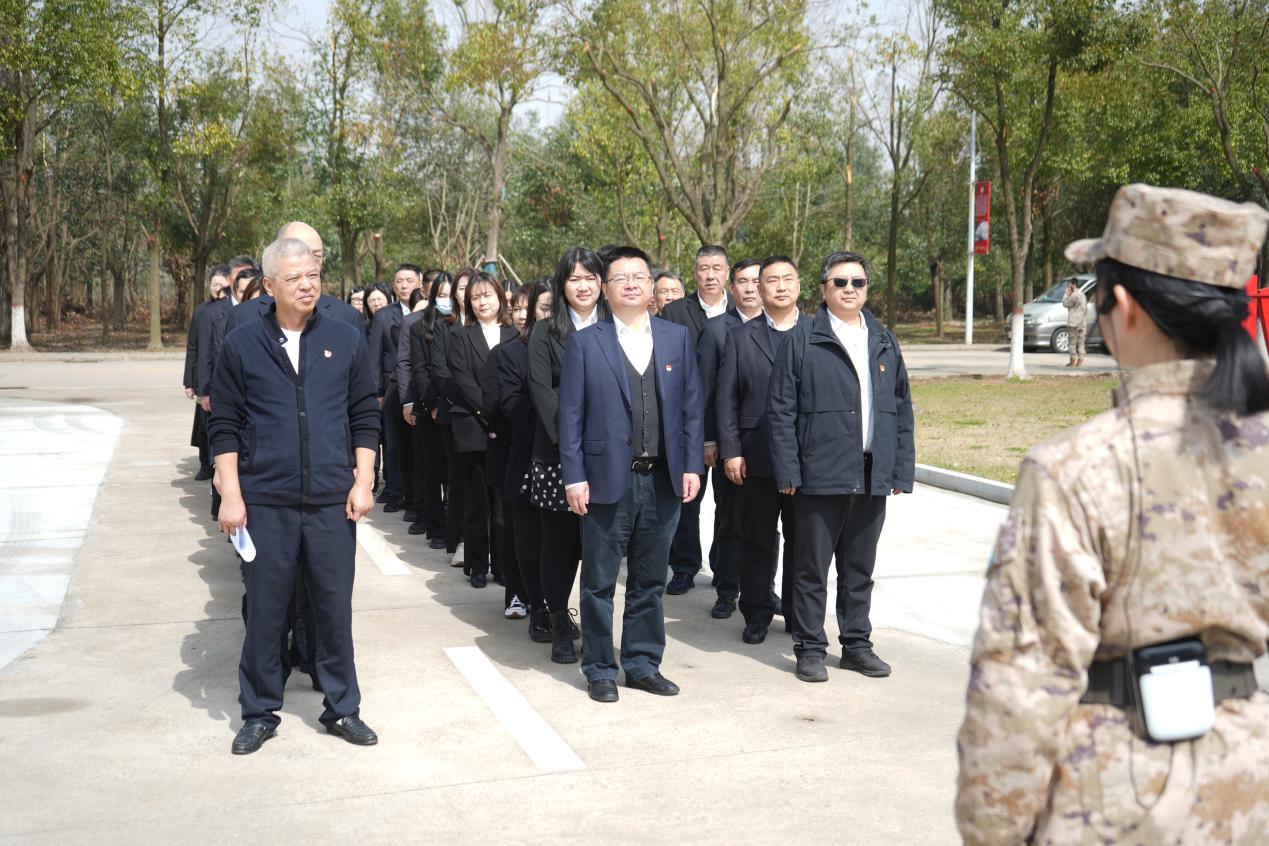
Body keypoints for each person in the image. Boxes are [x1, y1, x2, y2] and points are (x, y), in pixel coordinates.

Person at [956, 184, 1269, 843]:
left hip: (1116, 792)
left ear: (1121, 306)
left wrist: (993, 829)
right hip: (1248, 780)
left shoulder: (1075, 467)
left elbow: (1020, 686)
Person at [208, 236, 381, 755]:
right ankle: (260, 711)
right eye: (294, 277)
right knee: (267, 610)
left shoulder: (346, 338)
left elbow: (365, 415)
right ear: (269, 286)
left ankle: (342, 708)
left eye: (312, 274)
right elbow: (225, 427)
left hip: (332, 500)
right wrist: (231, 496)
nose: (307, 284)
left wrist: (364, 480)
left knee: (333, 608)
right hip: (265, 502)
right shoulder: (242, 344)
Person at [558, 245, 704, 703]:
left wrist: (691, 465)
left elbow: (691, 410)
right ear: (606, 288)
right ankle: (600, 667)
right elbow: (571, 416)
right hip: (604, 482)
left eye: (639, 276)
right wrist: (574, 475)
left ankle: (642, 663)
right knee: (599, 581)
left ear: (651, 286)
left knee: (649, 580)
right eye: (620, 277)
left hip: (662, 478)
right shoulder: (586, 342)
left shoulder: (676, 338)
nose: (631, 284)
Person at [768, 250, 914, 684]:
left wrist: (900, 469)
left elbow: (901, 409)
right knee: (811, 569)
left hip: (871, 476)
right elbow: (781, 411)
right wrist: (788, 471)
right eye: (840, 282)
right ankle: (810, 648)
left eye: (858, 283)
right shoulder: (803, 339)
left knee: (858, 570)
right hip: (820, 473)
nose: (849, 289)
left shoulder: (884, 340)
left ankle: (856, 645)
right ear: (824, 289)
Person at [716, 255, 807, 643]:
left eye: (788, 279)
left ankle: (798, 611)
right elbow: (726, 400)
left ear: (799, 286)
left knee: (804, 542)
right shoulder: (741, 336)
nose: (780, 286)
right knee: (758, 539)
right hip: (756, 456)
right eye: (772, 280)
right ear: (759, 288)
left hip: (808, 458)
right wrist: (730, 450)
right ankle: (755, 612)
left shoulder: (818, 333)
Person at [528, 247, 606, 663]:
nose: (583, 285)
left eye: (590, 277)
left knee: (599, 545)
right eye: (574, 278)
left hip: (609, 456)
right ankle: (558, 619)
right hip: (559, 455)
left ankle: (597, 625)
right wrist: (575, 445)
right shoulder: (546, 332)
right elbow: (543, 393)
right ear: (562, 285)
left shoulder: (615, 327)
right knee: (558, 545)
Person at [691, 257, 764, 617]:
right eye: (742, 282)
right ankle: (727, 588)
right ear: (731, 289)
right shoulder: (718, 329)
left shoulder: (785, 327)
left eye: (756, 281)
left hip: (769, 445)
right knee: (731, 518)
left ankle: (762, 588)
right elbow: (706, 389)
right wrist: (709, 440)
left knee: (766, 524)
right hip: (728, 443)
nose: (750, 288)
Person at [659, 245, 733, 595]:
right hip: (687, 423)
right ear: (694, 272)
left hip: (731, 425)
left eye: (717, 268)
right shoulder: (674, 312)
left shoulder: (742, 311)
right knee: (687, 500)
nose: (710, 275)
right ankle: (685, 567)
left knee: (729, 505)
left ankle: (723, 568)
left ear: (727, 272)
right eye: (704, 268)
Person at [446, 272, 518, 591]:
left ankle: (502, 565)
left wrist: (504, 418)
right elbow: (463, 381)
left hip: (507, 430)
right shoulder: (461, 336)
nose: (482, 301)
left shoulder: (514, 333)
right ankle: (477, 563)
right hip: (473, 428)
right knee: (476, 501)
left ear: (501, 297)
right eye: (475, 297)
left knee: (503, 504)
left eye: (487, 295)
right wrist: (489, 413)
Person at [495, 278, 554, 639]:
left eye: (552, 306)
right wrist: (558, 433)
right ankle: (538, 607)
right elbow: (512, 408)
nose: (547, 313)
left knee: (562, 546)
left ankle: (557, 605)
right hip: (530, 459)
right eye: (541, 307)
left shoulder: (574, 345)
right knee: (530, 542)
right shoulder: (508, 354)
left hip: (571, 465)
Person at [408, 272, 457, 550]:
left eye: (451, 295)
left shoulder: (461, 323)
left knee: (453, 471)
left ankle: (452, 524)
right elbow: (420, 370)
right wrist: (434, 404)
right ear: (431, 294)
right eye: (442, 294)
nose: (446, 300)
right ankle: (435, 525)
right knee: (433, 468)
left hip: (457, 407)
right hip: (431, 406)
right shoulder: (419, 327)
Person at [369, 265, 422, 514]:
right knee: (393, 445)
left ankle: (416, 496)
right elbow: (375, 357)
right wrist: (377, 392)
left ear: (419, 282)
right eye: (399, 281)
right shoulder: (383, 316)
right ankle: (397, 491)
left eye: (409, 280)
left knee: (418, 447)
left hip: (420, 387)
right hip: (391, 390)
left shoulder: (428, 311)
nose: (404, 285)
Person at [430, 269, 473, 566]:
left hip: (489, 415)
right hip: (456, 411)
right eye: (460, 288)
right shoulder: (446, 327)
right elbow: (441, 370)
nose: (466, 293)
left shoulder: (498, 326)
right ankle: (460, 540)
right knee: (459, 480)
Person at [186, 264, 230, 481]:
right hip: (202, 377)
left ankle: (216, 466)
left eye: (222, 284)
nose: (217, 288)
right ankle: (204, 464)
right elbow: (192, 347)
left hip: (219, 376)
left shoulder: (231, 311)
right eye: (214, 284)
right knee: (202, 425)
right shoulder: (201, 311)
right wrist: (189, 382)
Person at [1063, 277, 1088, 367]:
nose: (1068, 286)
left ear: (1073, 284)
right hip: (1082, 322)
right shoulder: (1083, 295)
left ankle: (1073, 361)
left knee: (1072, 342)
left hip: (1073, 322)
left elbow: (1065, 304)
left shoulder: (1074, 295)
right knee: (1081, 342)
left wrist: (1066, 294)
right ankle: (1080, 360)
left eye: (1069, 284)